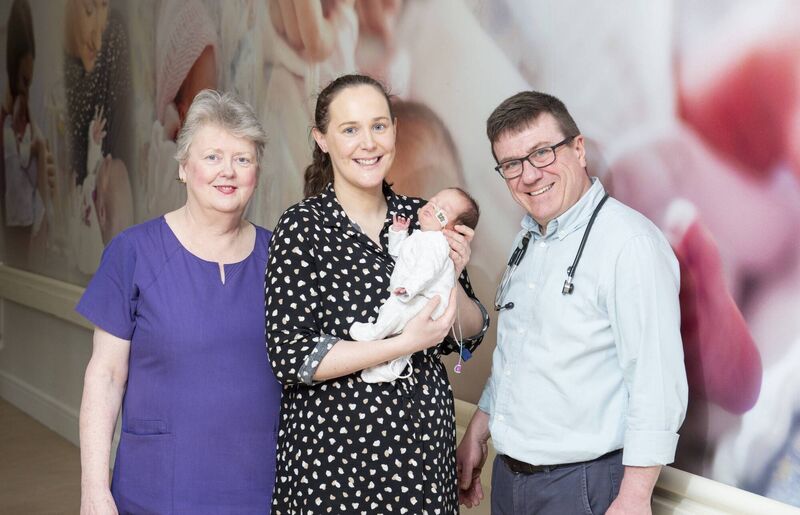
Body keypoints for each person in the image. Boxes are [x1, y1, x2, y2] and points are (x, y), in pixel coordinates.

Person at [265, 73, 489, 513]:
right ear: (322, 139)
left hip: (420, 456)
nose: (367, 142)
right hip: (331, 458)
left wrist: (454, 274)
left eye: (378, 126)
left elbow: (468, 332)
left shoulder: (424, 216)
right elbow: (290, 356)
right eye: (350, 129)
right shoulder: (301, 228)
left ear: (393, 132)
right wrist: (404, 343)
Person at [456, 91, 688, 514]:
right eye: (511, 164)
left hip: (584, 485)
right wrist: (478, 429)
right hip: (510, 482)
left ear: (578, 149)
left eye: (542, 153)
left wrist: (634, 497)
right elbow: (519, 356)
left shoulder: (629, 244)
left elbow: (657, 383)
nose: (529, 175)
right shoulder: (528, 239)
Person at [76, 90, 281, 514]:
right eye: (213, 157)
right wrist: (93, 489)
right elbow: (106, 376)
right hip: (159, 487)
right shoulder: (133, 252)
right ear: (184, 166)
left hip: (264, 485)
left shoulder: (281, 257)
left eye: (243, 159)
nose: (228, 171)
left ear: (256, 172)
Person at [351, 187, 480, 383]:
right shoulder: (420, 236)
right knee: (408, 339)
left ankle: (375, 332)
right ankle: (393, 366)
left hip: (427, 300)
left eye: (443, 209)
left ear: (453, 229)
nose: (433, 206)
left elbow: (427, 270)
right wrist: (398, 233)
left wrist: (409, 288)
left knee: (395, 309)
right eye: (433, 200)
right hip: (419, 297)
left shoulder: (437, 242)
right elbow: (399, 255)